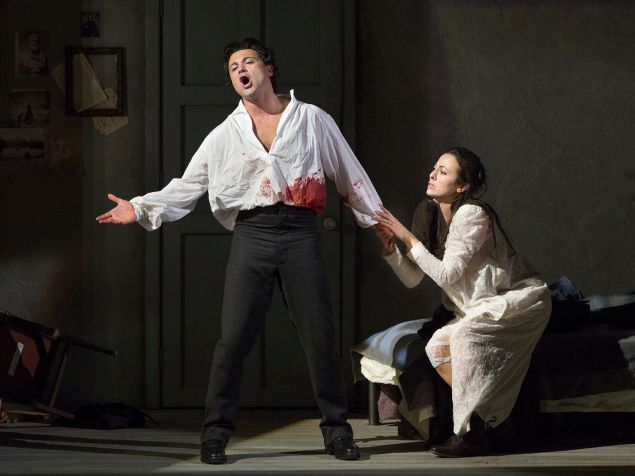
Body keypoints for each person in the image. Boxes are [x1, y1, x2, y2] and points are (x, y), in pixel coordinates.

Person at [96, 38, 382, 464]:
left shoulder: (311, 119)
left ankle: (338, 433)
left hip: (301, 232)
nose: (241, 71)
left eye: (248, 62)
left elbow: (349, 174)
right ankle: (214, 437)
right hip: (252, 235)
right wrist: (138, 207)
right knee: (232, 341)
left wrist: (379, 222)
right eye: (233, 67)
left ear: (269, 68)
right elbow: (189, 186)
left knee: (319, 336)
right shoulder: (223, 135)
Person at [373, 147, 551, 457]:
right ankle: (493, 424)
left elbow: (447, 274)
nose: (432, 174)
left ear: (462, 186)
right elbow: (415, 278)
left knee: (465, 339)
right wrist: (392, 250)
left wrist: (407, 237)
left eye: (443, 171)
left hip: (518, 299)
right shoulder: (428, 213)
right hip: (478, 306)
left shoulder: (472, 213)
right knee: (437, 345)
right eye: (434, 168)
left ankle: (467, 433)